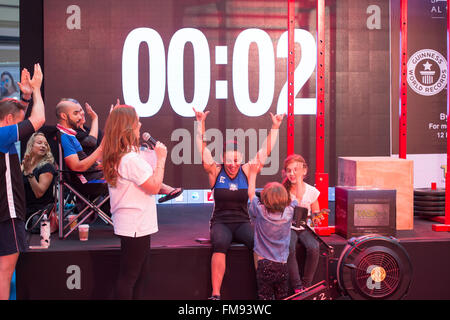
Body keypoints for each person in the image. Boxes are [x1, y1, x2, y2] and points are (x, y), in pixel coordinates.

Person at [193, 107, 285, 300]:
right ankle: (216, 294)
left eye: (235, 159)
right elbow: (202, 150)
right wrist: (200, 124)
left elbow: (265, 151)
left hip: (243, 221)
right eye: (228, 160)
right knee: (220, 243)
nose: (232, 164)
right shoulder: (215, 172)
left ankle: (264, 292)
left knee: (258, 244)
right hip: (220, 222)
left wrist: (275, 127)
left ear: (240, 159)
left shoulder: (248, 170)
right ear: (222, 159)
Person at [102, 105, 167, 299]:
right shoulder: (129, 159)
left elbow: (146, 183)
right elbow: (153, 187)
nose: (140, 124)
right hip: (135, 224)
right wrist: (161, 158)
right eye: (136, 121)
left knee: (138, 275)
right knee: (130, 277)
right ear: (128, 127)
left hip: (133, 223)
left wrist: (166, 187)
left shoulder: (123, 156)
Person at [0, 63, 45, 300]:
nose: (20, 125)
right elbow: (37, 120)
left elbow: (21, 118)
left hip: (5, 214)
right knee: (4, 274)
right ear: (8, 120)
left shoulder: (3, 133)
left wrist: (25, 96)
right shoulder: (2, 136)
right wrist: (37, 90)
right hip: (7, 215)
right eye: (16, 121)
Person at [247, 159, 297, 300]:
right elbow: (295, 199)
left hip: (263, 264)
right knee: (282, 296)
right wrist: (295, 178)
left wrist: (252, 174)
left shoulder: (260, 211)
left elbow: (251, 193)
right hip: (282, 265)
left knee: (265, 297)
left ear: (264, 198)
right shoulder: (289, 213)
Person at [282, 154, 325, 292]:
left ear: (304, 171)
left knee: (314, 247)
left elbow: (315, 212)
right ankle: (297, 287)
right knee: (289, 247)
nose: (292, 173)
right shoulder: (284, 190)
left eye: (295, 170)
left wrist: (317, 217)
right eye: (289, 170)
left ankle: (307, 284)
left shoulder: (311, 191)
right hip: (289, 226)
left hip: (305, 227)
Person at [22, 132, 56, 218]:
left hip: (38, 214)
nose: (43, 146)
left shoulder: (47, 167)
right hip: (22, 209)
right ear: (31, 146)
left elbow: (39, 193)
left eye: (45, 144)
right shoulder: (24, 165)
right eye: (39, 143)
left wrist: (29, 172)